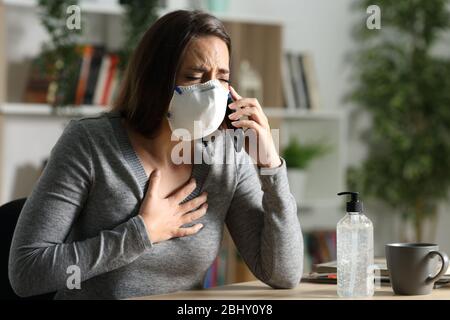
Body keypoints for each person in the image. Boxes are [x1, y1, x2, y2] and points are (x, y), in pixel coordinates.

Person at [9, 10, 303, 300]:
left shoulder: (227, 156)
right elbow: (26, 270)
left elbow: (282, 273)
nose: (212, 90)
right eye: (194, 76)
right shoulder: (90, 142)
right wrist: (141, 233)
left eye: (222, 78)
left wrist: (270, 167)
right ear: (155, 80)